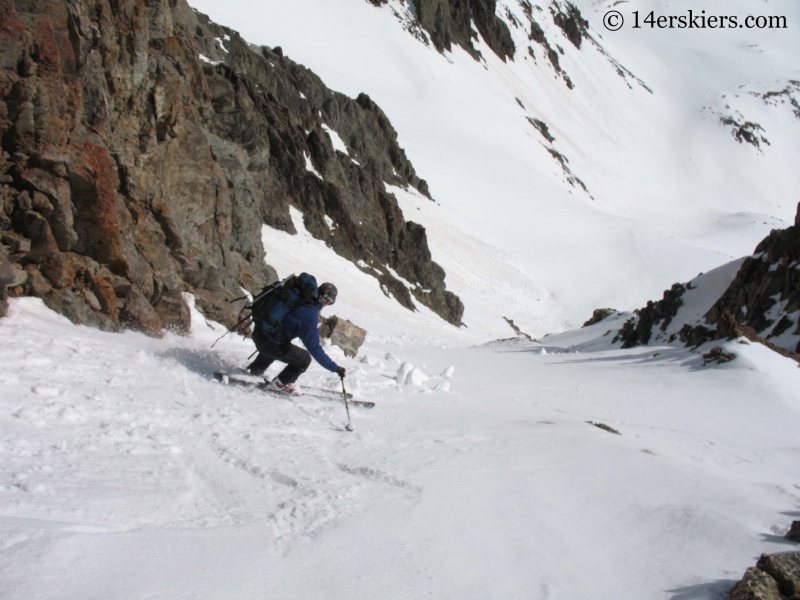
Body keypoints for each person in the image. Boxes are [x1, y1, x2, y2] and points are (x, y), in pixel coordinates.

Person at [247, 281, 345, 394]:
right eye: (330, 302)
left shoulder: (299, 299)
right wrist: (335, 368)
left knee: (276, 341)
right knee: (304, 359)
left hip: (259, 333)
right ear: (326, 300)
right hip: (268, 344)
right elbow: (314, 348)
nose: (328, 304)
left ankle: (255, 370)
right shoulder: (309, 315)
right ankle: (280, 384)